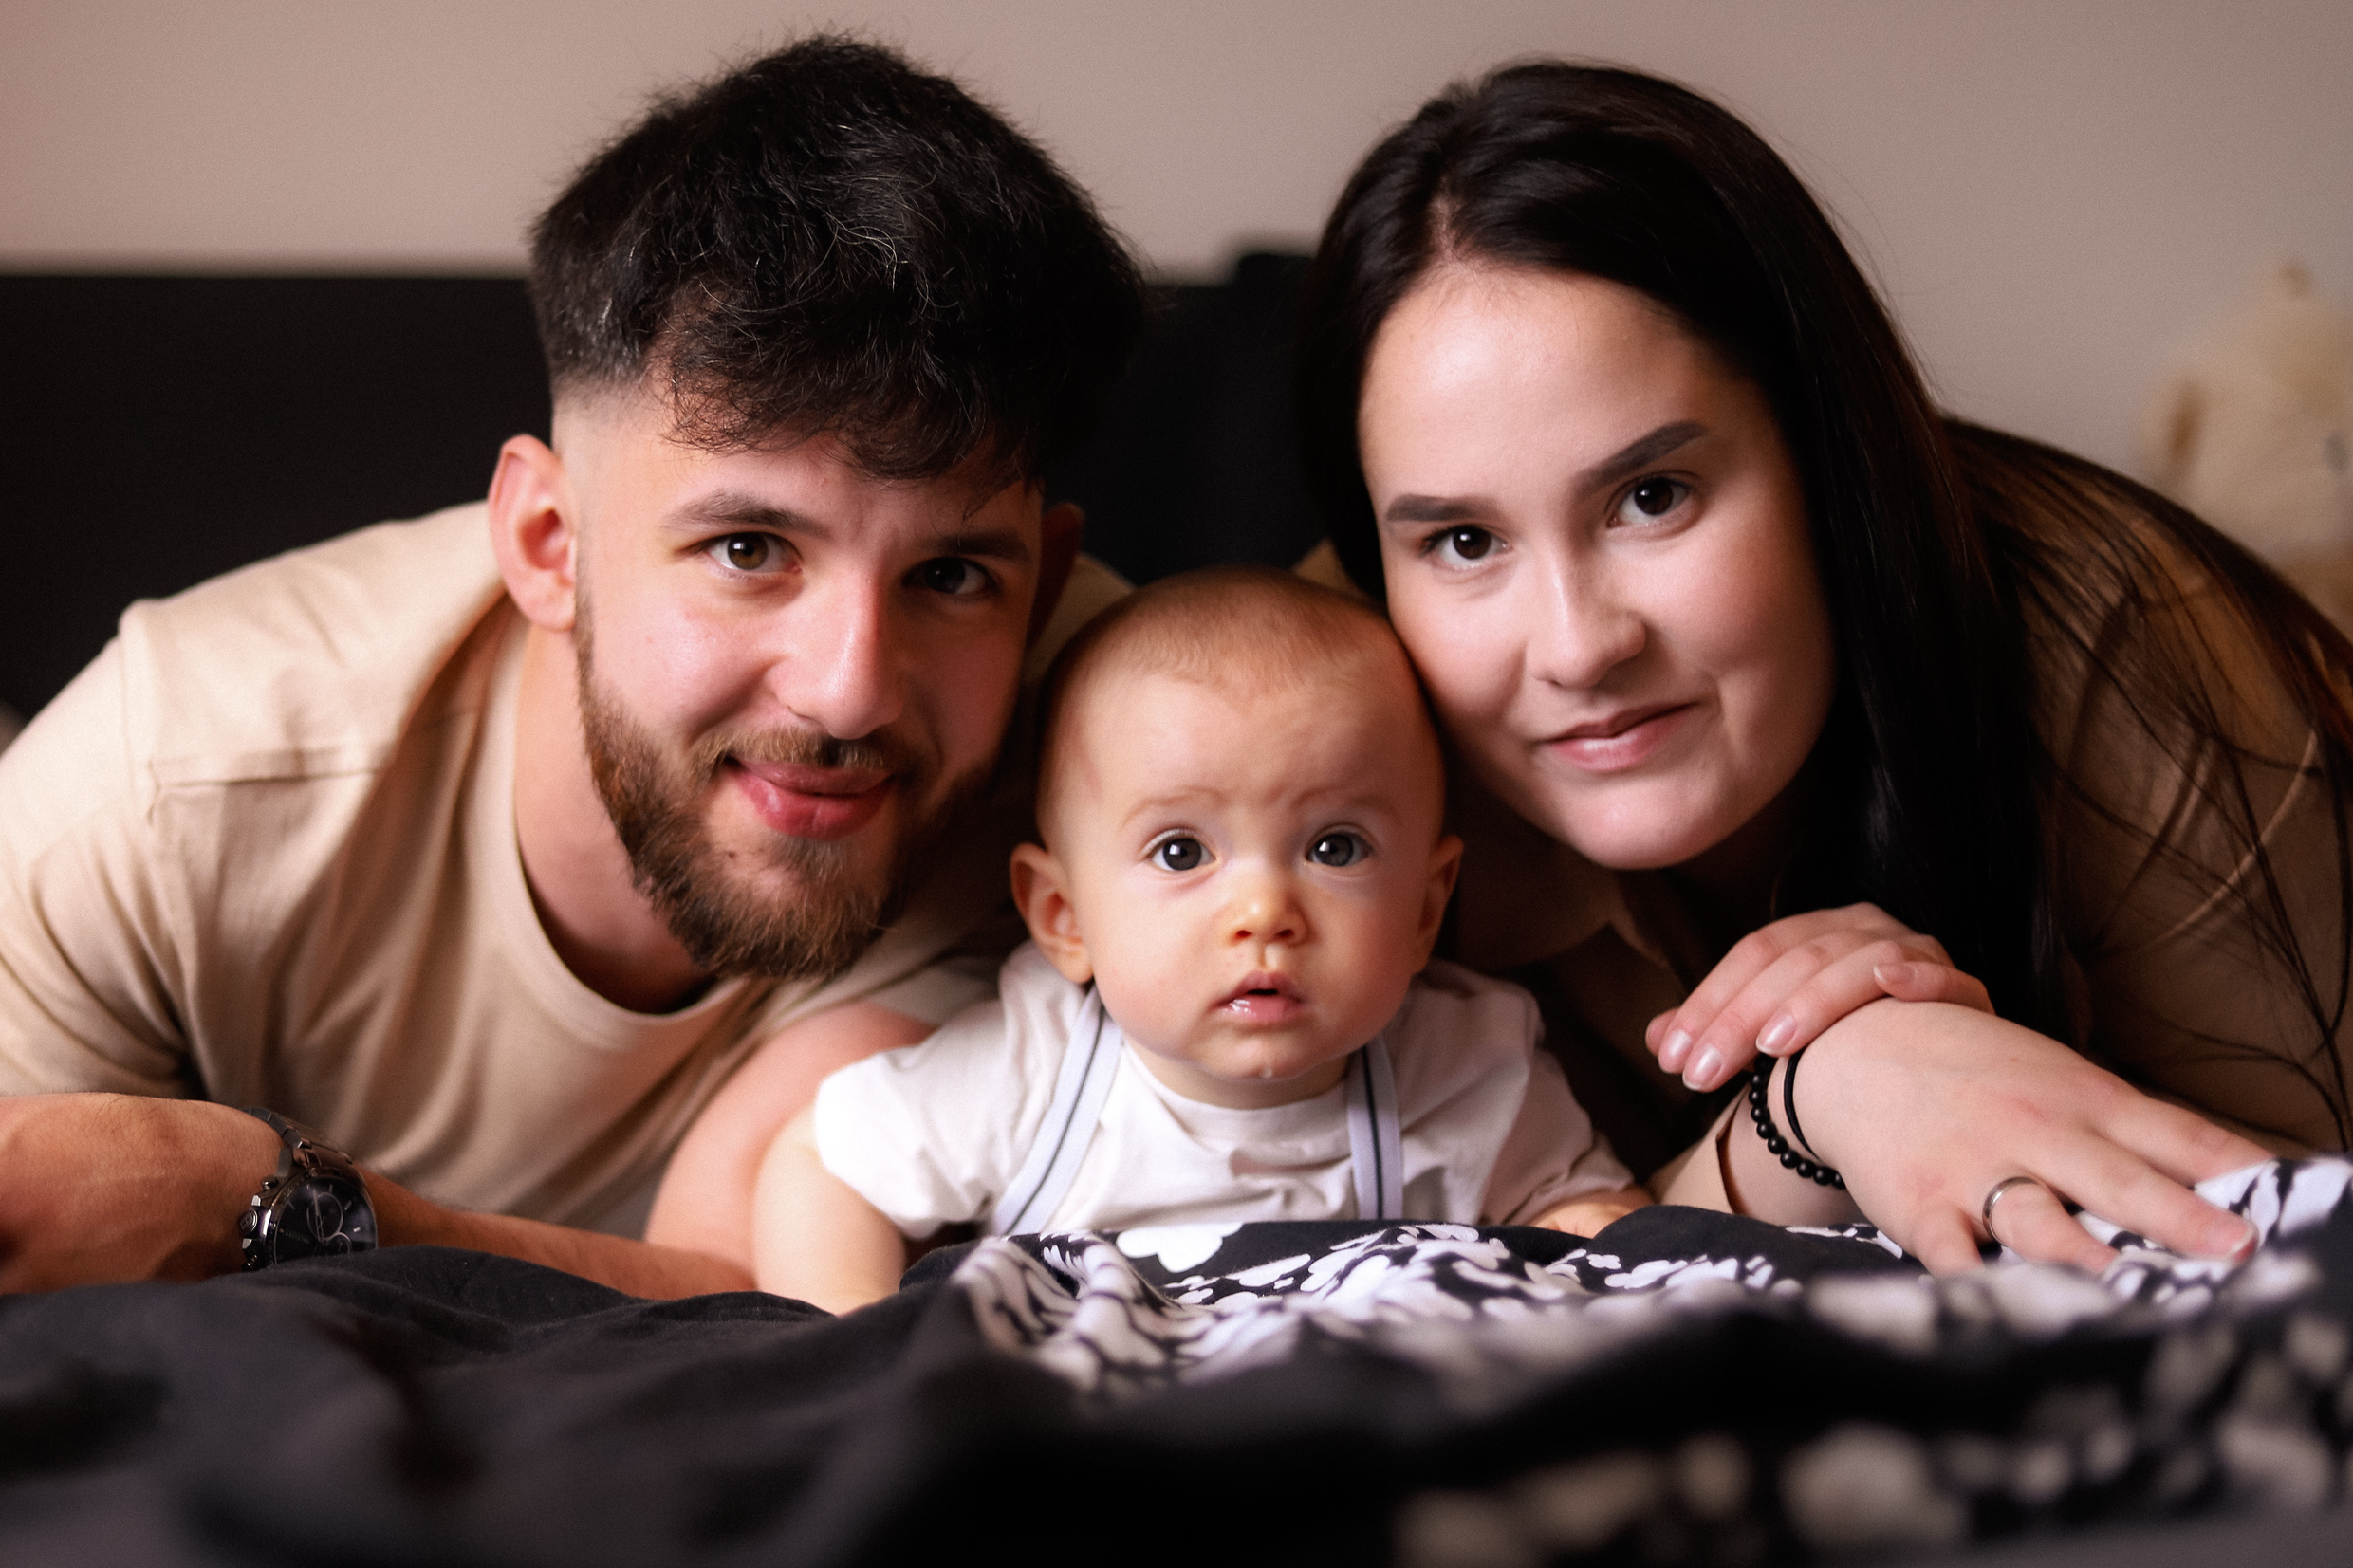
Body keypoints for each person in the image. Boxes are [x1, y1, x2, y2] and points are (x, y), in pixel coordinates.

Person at [0, 37, 1144, 1296]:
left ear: (1043, 574)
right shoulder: (159, 791)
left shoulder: (1133, 752)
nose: (851, 690)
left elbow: (752, 1288)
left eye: (952, 576)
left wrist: (273, 1208)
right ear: (548, 544)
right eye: (749, 547)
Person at [1291, 60, 2350, 1274]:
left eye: (1650, 496)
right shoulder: (1322, 708)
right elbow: (1459, 1281)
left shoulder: (2129, 634)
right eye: (1464, 542)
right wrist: (1821, 1097)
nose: (1579, 646)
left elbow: (2290, 1245)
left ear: (1821, 459)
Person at [753, 569, 1648, 1312]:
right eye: (1182, 851)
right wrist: (863, 1347)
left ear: (1424, 908)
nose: (1265, 911)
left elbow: (1581, 1207)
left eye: (1335, 847)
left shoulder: (1469, 1075)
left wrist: (1592, 1231)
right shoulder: (1036, 1076)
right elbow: (822, 1166)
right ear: (1065, 918)